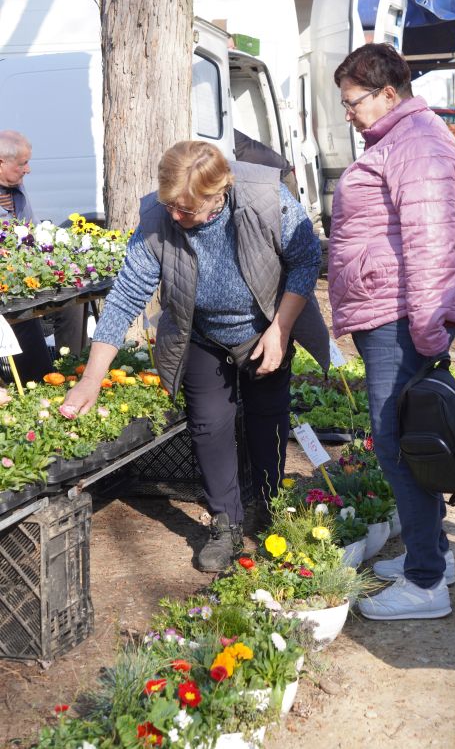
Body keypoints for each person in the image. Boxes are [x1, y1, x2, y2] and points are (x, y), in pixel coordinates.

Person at [62, 141, 329, 572]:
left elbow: (305, 260)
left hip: (266, 325)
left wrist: (280, 332)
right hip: (201, 334)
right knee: (208, 426)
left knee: (267, 416)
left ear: (217, 193)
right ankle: (225, 524)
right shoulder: (158, 218)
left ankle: (268, 503)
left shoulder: (264, 196)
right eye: (170, 205)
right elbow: (128, 294)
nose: (174, 216)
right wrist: (91, 378)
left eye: (184, 209)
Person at [328, 42, 455, 621]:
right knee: (409, 441)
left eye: (352, 101)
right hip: (389, 313)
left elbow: (432, 244)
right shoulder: (401, 141)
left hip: (400, 319)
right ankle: (431, 551)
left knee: (400, 444)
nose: (348, 112)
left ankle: (426, 582)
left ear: (389, 93)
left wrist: (430, 333)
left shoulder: (416, 144)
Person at [0, 130, 86, 380]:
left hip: (24, 272)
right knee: (23, 314)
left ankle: (73, 366)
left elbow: (33, 230)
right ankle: (39, 378)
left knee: (75, 294)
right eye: (22, 164)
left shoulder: (16, 189)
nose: (28, 170)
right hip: (8, 283)